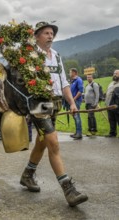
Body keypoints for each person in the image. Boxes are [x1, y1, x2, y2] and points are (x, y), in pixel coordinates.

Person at [20, 21, 88, 207]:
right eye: (46, 33)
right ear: (36, 36)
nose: (50, 36)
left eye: (52, 33)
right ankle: (68, 189)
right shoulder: (31, 56)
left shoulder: (56, 56)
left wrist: (72, 103)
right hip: (39, 103)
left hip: (56, 102)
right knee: (53, 143)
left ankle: (27, 175)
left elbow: (64, 82)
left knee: (42, 142)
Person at [69, 68, 84, 139]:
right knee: (75, 116)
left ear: (74, 73)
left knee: (77, 116)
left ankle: (79, 133)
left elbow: (81, 91)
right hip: (73, 101)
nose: (69, 73)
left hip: (77, 101)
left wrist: (74, 99)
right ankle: (77, 132)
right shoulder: (72, 81)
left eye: (70, 72)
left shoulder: (79, 80)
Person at [105, 70, 119, 137]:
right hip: (109, 105)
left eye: (116, 73)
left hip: (117, 106)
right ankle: (112, 133)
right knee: (111, 120)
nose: (114, 75)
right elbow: (108, 92)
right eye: (114, 73)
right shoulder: (111, 83)